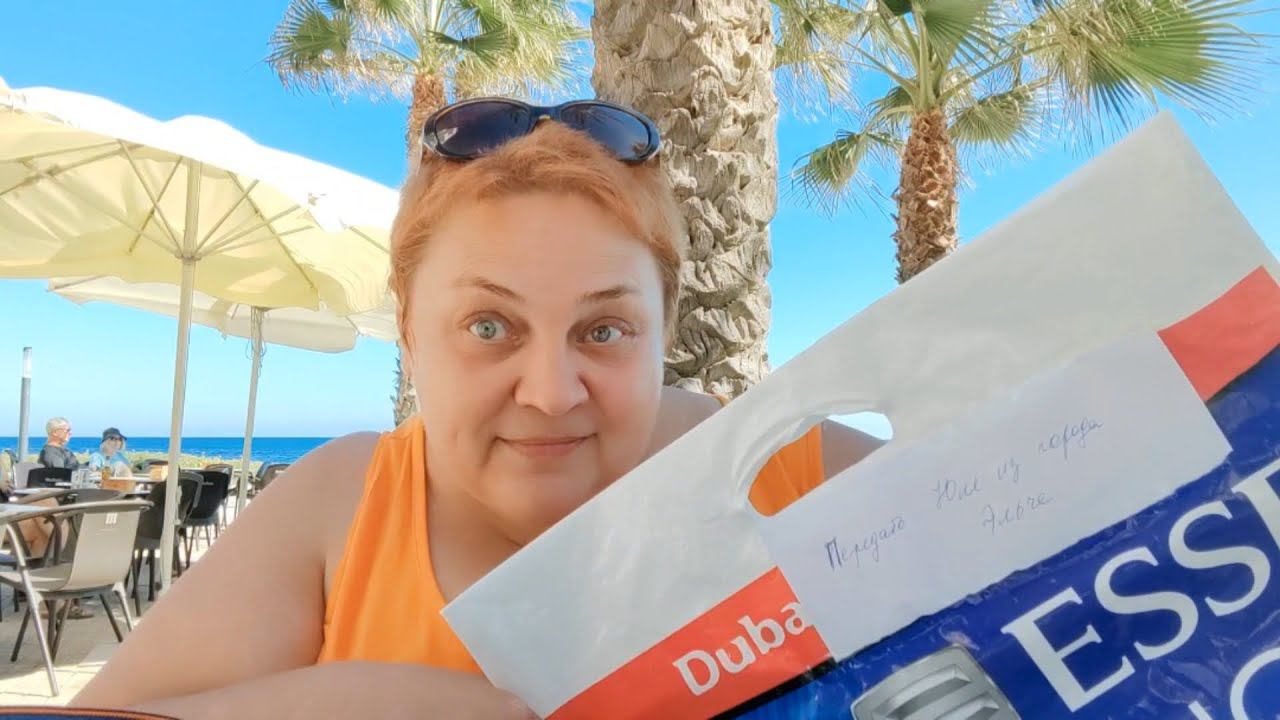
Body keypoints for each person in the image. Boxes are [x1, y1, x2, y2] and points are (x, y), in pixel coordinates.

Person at [73, 99, 882, 718]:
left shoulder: (792, 473)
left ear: (663, 328)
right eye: (489, 327)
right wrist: (340, 702)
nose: (550, 393)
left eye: (603, 330)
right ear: (409, 330)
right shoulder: (344, 510)